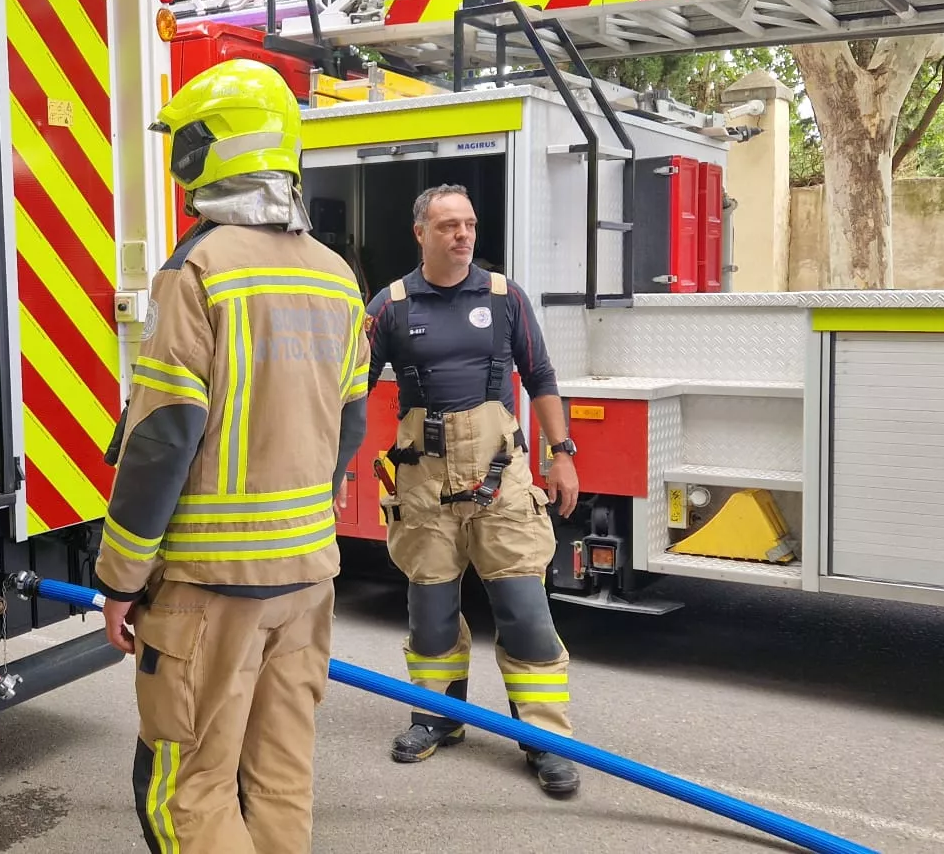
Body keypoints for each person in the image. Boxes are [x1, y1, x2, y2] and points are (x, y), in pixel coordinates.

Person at [93, 58, 372, 854]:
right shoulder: (338, 277)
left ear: (212, 150)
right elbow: (350, 426)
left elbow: (163, 438)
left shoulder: (199, 269)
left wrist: (120, 579)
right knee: (280, 776)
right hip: (308, 580)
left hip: (210, 586)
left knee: (188, 786)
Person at [363, 183, 584, 796]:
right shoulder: (391, 306)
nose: (462, 235)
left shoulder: (505, 297)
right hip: (424, 483)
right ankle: (436, 718)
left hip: (501, 477)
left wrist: (562, 454)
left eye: (469, 224)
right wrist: (328, 472)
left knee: (524, 610)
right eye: (447, 226)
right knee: (430, 612)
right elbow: (352, 391)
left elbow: (540, 376)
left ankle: (547, 740)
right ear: (421, 234)